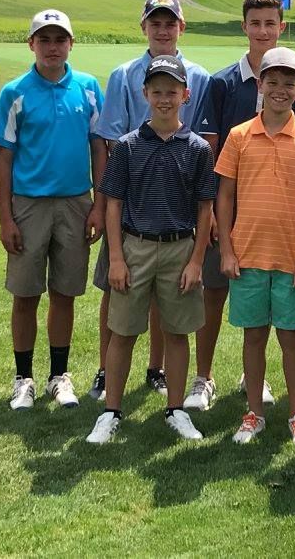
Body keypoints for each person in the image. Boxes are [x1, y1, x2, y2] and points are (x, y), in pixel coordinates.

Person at [185, 0, 295, 412]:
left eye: (270, 23)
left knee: (264, 318)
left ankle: (251, 380)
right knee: (215, 295)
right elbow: (210, 149)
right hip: (229, 216)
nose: (262, 30)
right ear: (244, 26)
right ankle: (204, 377)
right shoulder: (223, 82)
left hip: (278, 225)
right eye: (254, 23)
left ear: (282, 26)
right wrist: (213, 218)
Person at [87, 56, 215, 444]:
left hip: (179, 248)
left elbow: (205, 207)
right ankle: (111, 411)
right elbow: (113, 204)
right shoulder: (126, 147)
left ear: (185, 95)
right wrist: (116, 258)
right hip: (135, 246)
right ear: (144, 94)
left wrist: (196, 261)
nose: (164, 99)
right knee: (122, 332)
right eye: (157, 91)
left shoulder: (197, 149)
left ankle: (175, 409)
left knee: (177, 333)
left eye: (171, 92)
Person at [215, 46, 295, 447]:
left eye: (289, 83)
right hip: (247, 255)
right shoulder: (239, 136)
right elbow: (224, 197)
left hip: (291, 257)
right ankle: (254, 412)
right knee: (254, 337)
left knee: (291, 338)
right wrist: (227, 250)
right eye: (273, 81)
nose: (280, 89)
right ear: (259, 84)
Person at [0, 10, 105, 411]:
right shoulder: (15, 92)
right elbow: (3, 158)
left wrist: (100, 204)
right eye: (44, 39)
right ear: (32, 45)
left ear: (71, 44)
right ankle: (23, 378)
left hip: (76, 202)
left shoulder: (89, 88)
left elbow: (99, 147)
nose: (52, 47)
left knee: (65, 293)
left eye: (60, 39)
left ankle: (60, 375)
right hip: (29, 204)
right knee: (25, 294)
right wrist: (6, 217)